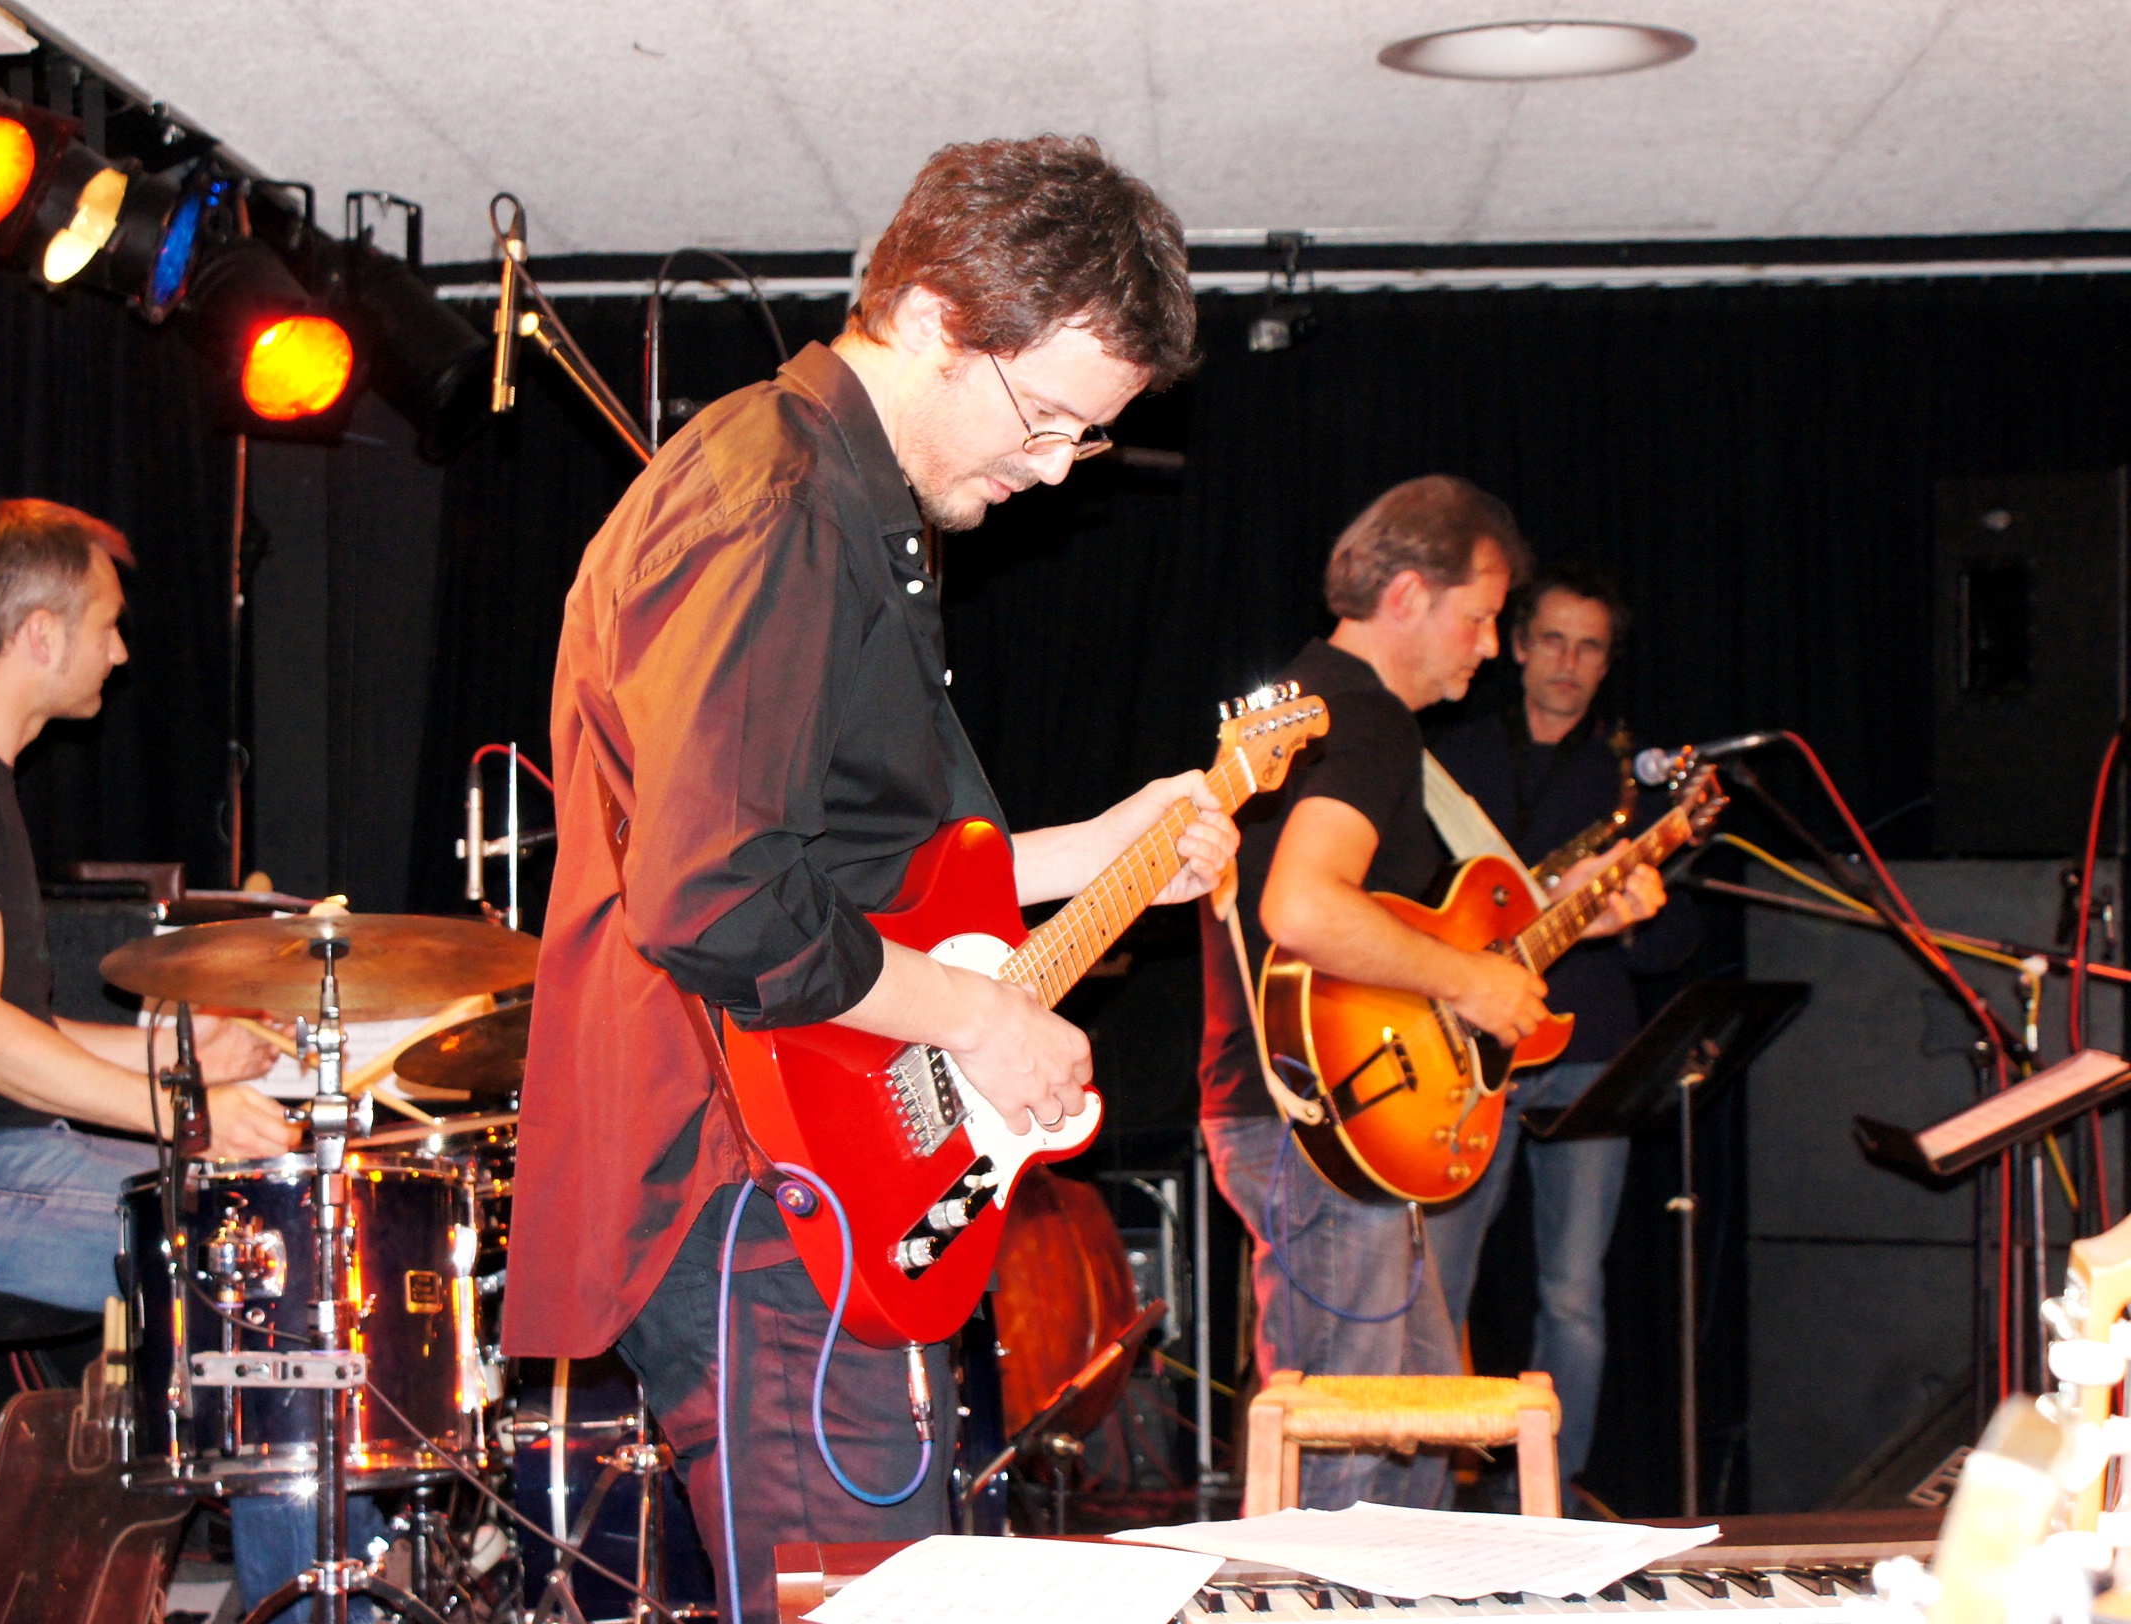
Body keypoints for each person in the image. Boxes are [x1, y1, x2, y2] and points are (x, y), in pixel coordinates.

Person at [505, 135, 1236, 1624]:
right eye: (1045, 418)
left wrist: (1096, 853)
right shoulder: (774, 501)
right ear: (924, 318)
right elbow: (716, 895)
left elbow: (848, 867)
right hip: (751, 1177)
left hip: (800, 1167)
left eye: (1088, 439)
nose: (1054, 468)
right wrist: (980, 1019)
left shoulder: (841, 504)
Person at [0, 498, 359, 1617]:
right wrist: (182, 1117)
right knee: (256, 1258)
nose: (122, 650)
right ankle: (304, 1602)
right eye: (107, 623)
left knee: (269, 1229)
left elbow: (16, 1027)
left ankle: (325, 1577)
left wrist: (184, 1056)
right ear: (40, 634)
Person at [1195, 477, 1665, 1510]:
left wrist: (1535, 926)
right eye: (1480, 618)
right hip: (1322, 1125)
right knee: (1352, 1460)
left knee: (1412, 1437)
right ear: (1407, 594)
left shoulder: (1301, 703)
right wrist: (1471, 981)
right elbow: (1301, 907)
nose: (1491, 648)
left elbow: (1369, 927)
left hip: (1324, 1114)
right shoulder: (1367, 721)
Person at [1424, 560, 1700, 1496]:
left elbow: (1678, 948)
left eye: (1589, 648)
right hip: (1464, 1049)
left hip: (1587, 1055)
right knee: (1439, 1288)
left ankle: (1550, 1493)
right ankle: (1427, 1489)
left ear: (1607, 662)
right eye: (1552, 640)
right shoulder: (1452, 758)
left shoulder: (1631, 783)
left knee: (1574, 1294)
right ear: (1516, 645)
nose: (1568, 663)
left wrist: (1641, 919)